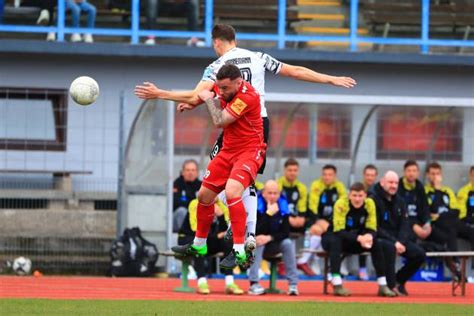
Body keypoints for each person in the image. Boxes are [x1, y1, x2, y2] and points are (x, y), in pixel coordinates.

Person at [135, 23, 355, 257]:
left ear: (216, 42)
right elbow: (296, 71)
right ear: (234, 39)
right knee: (239, 176)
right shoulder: (258, 57)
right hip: (259, 122)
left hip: (238, 125)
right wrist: (330, 79)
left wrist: (160, 94)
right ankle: (244, 231)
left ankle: (242, 230)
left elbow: (198, 93)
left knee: (225, 173)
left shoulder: (217, 66)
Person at [171, 64, 265, 270]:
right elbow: (207, 92)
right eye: (219, 88)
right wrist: (191, 105)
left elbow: (219, 120)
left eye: (224, 88)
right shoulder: (223, 86)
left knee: (232, 192)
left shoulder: (248, 96)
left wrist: (206, 100)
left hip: (250, 151)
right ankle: (199, 245)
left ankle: (239, 250)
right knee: (204, 195)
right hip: (228, 150)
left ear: (238, 83)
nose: (220, 91)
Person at [322, 182, 395, 297]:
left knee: (376, 243)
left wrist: (369, 236)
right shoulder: (341, 204)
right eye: (354, 195)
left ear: (365, 196)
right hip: (333, 237)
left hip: (355, 240)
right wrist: (360, 238)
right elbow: (338, 231)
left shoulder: (370, 204)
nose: (357, 199)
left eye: (360, 196)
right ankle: (337, 284)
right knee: (335, 241)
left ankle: (382, 285)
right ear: (349, 195)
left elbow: (372, 227)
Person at [370, 171, 426, 296]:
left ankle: (398, 280)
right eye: (390, 182)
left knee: (420, 254)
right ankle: (390, 286)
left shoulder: (400, 200)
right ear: (382, 182)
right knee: (389, 248)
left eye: (396, 183)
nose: (394, 186)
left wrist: (400, 241)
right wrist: (394, 242)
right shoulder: (373, 199)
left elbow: (405, 224)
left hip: (398, 240)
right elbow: (374, 227)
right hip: (380, 239)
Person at [177, 198, 243, 295]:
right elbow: (196, 230)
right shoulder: (195, 204)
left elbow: (225, 230)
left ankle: (230, 282)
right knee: (199, 243)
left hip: (210, 238)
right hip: (188, 237)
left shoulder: (222, 205)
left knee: (228, 242)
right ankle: (201, 282)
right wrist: (216, 236)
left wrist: (220, 216)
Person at [248, 180, 299, 296]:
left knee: (287, 243)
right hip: (257, 242)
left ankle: (293, 284)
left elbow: (286, 232)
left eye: (275, 193)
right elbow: (255, 230)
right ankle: (254, 283)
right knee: (257, 241)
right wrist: (268, 214)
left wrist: (270, 238)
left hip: (273, 242)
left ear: (279, 194)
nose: (272, 196)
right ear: (263, 193)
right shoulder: (255, 204)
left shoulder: (283, 206)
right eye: (269, 193)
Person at [304, 164, 347, 272]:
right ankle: (314, 262)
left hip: (334, 222)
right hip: (318, 220)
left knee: (339, 235)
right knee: (316, 230)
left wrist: (331, 223)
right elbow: (312, 206)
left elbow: (343, 208)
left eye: (330, 175)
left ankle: (340, 264)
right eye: (324, 174)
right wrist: (318, 220)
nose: (327, 177)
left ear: (335, 176)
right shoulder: (316, 185)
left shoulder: (340, 187)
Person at [276, 158, 313, 276]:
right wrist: (289, 218)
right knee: (283, 228)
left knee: (312, 229)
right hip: (282, 218)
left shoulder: (301, 187)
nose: (292, 173)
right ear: (284, 171)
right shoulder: (278, 185)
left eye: (295, 170)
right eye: (290, 170)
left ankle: (302, 260)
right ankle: (282, 263)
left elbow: (302, 206)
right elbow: (277, 204)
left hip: (296, 220)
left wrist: (301, 217)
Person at [426, 162, 474, 253]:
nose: (436, 177)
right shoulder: (425, 191)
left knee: (471, 231)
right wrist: (437, 190)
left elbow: (456, 211)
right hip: (436, 224)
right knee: (451, 230)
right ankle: (455, 261)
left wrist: (440, 215)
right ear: (428, 175)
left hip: (449, 220)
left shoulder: (448, 191)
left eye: (438, 174)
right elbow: (431, 210)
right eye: (433, 174)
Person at [359, 163, 379, 280]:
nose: (370, 177)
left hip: (374, 223)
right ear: (363, 175)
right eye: (367, 175)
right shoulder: (358, 188)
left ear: (376, 176)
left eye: (372, 175)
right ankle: (362, 268)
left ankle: (379, 271)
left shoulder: (378, 190)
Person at [173, 159, 201, 233]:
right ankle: (186, 236)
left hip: (196, 217)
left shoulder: (202, 185)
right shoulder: (177, 184)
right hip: (177, 220)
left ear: (197, 173)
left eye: (193, 170)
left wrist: (186, 200)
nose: (190, 173)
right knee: (182, 211)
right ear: (183, 172)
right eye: (188, 170)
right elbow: (175, 202)